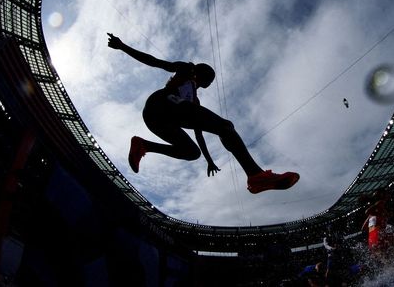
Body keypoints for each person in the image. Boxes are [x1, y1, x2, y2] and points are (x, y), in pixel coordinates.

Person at [106, 33, 299, 194]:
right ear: (203, 75)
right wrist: (122, 46)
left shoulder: (193, 101)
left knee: (192, 153)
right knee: (225, 126)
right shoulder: (186, 70)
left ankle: (144, 145)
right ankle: (256, 176)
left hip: (162, 122)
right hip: (160, 104)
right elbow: (155, 61)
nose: (207, 86)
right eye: (209, 81)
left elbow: (199, 132)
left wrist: (208, 160)